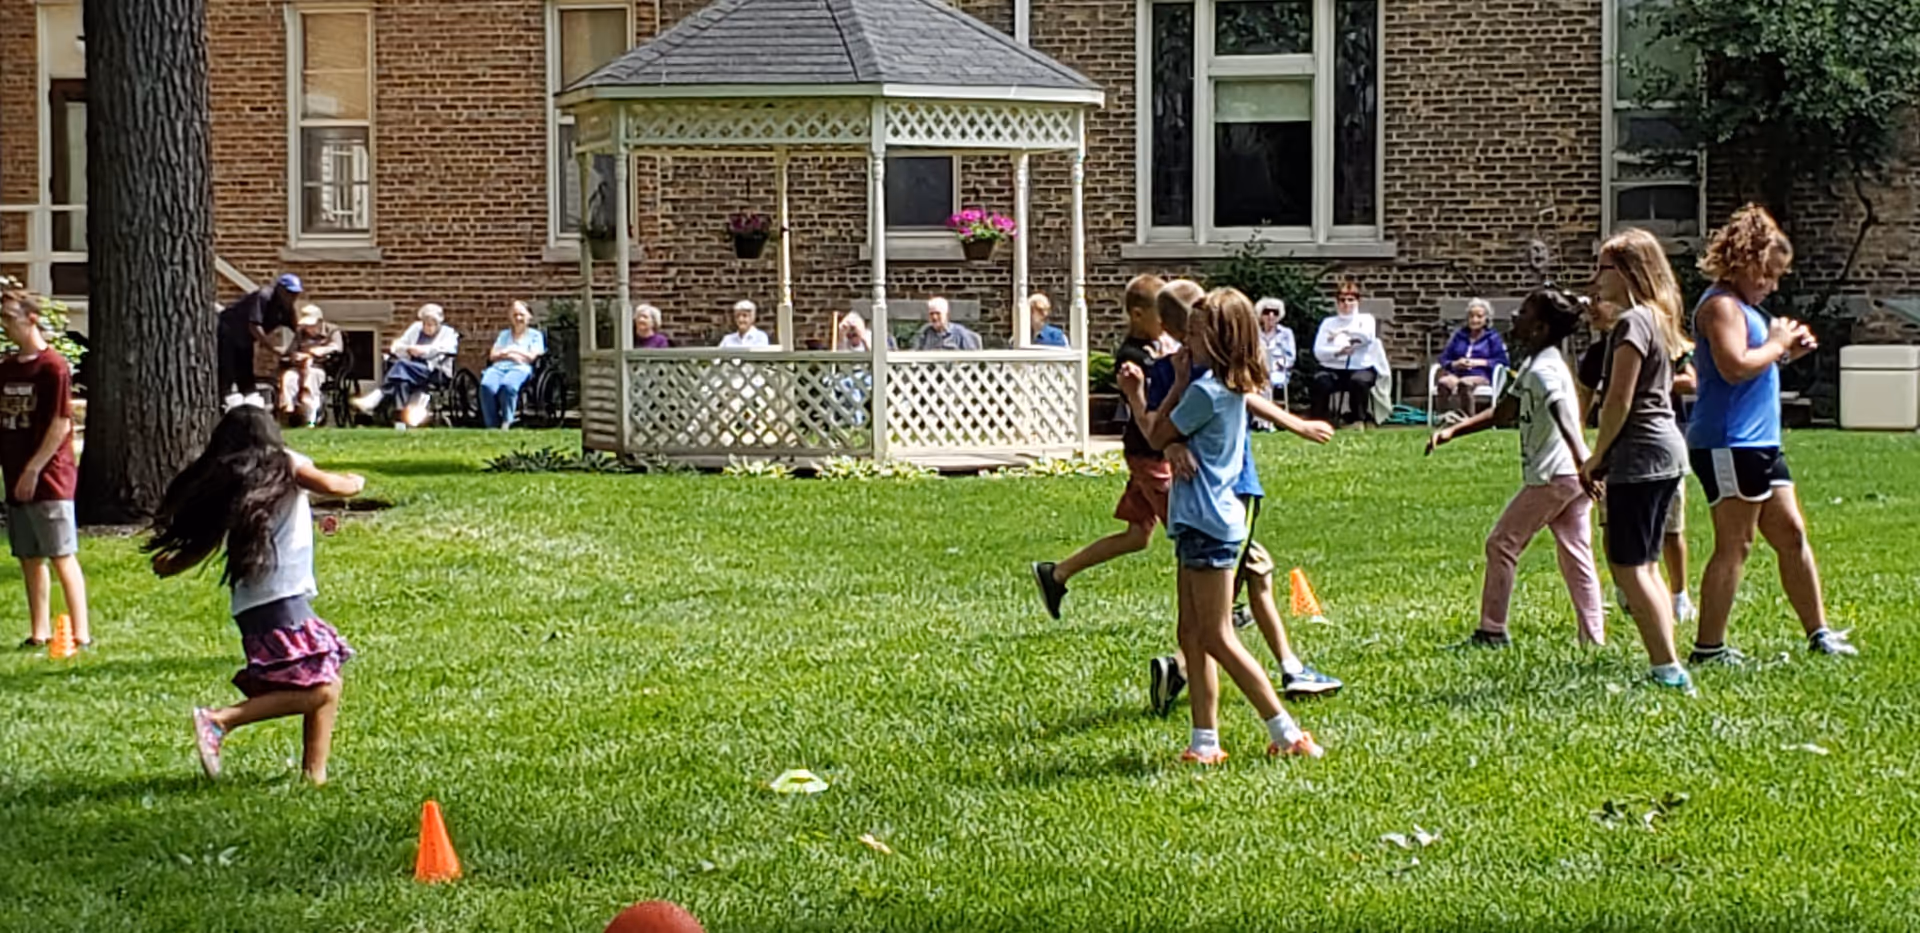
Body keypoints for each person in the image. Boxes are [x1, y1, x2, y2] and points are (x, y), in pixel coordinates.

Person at [1119, 287, 1323, 763]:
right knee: (1191, 634)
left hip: (1210, 525)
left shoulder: (1207, 392)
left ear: (1221, 339)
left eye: (1194, 334)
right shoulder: (1217, 387)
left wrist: (1138, 395)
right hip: (1199, 522)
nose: (1184, 343)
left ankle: (1288, 733)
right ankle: (1204, 742)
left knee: (1215, 635)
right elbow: (1169, 439)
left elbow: (1154, 432)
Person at [146, 406, 365, 785]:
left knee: (329, 679)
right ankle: (220, 720)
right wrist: (354, 481)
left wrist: (174, 564)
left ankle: (315, 775)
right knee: (321, 688)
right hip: (280, 598)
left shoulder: (238, 477)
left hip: (259, 602)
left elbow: (210, 539)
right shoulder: (286, 462)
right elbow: (331, 486)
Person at [1687, 205, 1855, 662]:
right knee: (1736, 543)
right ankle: (1709, 647)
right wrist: (1776, 344)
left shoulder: (1744, 306)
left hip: (1760, 442)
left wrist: (1784, 354)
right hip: (1729, 441)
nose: (1772, 285)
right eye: (1768, 275)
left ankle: (1819, 633)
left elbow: (1754, 364)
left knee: (1791, 533)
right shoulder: (1720, 305)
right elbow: (1734, 366)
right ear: (1745, 263)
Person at [1428, 287, 1602, 647]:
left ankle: (1492, 631)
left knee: (1501, 544)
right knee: (1576, 553)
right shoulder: (1534, 364)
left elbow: (1563, 412)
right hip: (1571, 475)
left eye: (1523, 313)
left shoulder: (1545, 369)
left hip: (1555, 475)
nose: (1515, 318)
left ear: (1539, 328)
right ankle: (1593, 638)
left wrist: (1583, 459)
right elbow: (1505, 412)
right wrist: (1453, 431)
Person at [1583, 228, 1694, 694]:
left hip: (1640, 455)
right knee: (1645, 564)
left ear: (1628, 271)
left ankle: (1668, 669)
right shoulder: (1658, 317)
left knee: (1629, 566)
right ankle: (1665, 664)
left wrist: (1596, 456)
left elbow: (1618, 401)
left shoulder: (1632, 324)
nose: (1596, 278)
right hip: (1667, 451)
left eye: (1604, 268)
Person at [1032, 276, 1173, 617]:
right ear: (1138, 315)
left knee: (1138, 535)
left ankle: (1057, 573)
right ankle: (1221, 602)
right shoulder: (1132, 356)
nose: (1166, 324)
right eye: (1160, 316)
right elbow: (1150, 401)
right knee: (1191, 533)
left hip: (1149, 452)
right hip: (1150, 455)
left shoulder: (1159, 347)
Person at [1577, 318, 1697, 624]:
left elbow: (1691, 380)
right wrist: (1582, 445)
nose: (1594, 303)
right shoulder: (1598, 353)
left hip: (1657, 445)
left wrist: (1646, 379)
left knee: (1671, 527)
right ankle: (1625, 589)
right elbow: (1584, 399)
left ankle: (1679, 595)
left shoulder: (1660, 339)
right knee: (1611, 525)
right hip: (1615, 449)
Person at [0, 290, 89, 651]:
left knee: (60, 553)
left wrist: (35, 469)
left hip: (50, 477)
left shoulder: (53, 366)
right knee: (28, 556)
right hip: (14, 470)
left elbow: (60, 424)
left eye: (10, 318)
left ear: (32, 318)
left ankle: (81, 632)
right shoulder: (6, 368)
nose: (6, 326)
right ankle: (39, 631)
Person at [351, 304, 460, 429]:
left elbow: (449, 349)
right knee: (401, 382)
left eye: (432, 324)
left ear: (438, 324)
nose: (428, 327)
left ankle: (377, 395)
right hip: (410, 369)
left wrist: (423, 350)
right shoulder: (415, 329)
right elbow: (397, 345)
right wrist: (408, 349)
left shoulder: (448, 333)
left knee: (401, 366)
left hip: (433, 371)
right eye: (426, 323)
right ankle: (400, 422)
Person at [1311, 280, 1389, 426]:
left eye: (1350, 300)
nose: (1346, 304)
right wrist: (1337, 352)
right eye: (1342, 300)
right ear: (1337, 302)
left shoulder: (1366, 320)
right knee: (1320, 381)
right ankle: (1319, 421)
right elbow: (1319, 352)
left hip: (1361, 367)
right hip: (1332, 368)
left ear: (1357, 301)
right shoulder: (1328, 323)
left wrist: (1344, 332)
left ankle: (1358, 420)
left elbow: (1366, 337)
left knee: (1358, 381)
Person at [218, 274, 302, 408]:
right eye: (289, 292)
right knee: (227, 370)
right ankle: (225, 403)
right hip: (228, 331)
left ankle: (250, 403)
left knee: (245, 372)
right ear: (279, 289)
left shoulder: (287, 308)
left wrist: (293, 350)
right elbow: (254, 326)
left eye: (296, 294)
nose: (292, 297)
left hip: (245, 339)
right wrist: (273, 349)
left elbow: (296, 330)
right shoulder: (264, 297)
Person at [1435, 298, 1510, 418]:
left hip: (1481, 375)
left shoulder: (1492, 338)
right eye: (1471, 316)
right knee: (1444, 382)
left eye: (1479, 316)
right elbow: (1444, 359)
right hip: (1458, 374)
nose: (1475, 320)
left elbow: (1502, 361)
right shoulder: (1459, 336)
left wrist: (1480, 362)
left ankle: (1468, 419)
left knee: (1465, 383)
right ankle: (1443, 417)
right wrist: (1456, 363)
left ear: (1486, 319)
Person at [480, 301, 547, 430]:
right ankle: (491, 424)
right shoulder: (504, 335)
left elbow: (531, 357)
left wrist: (508, 351)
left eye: (521, 315)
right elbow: (493, 355)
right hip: (498, 366)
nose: (518, 318)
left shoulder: (535, 336)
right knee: (486, 385)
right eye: (515, 315)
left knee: (508, 386)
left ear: (529, 316)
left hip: (521, 368)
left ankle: (507, 421)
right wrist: (514, 354)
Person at [277, 304, 343, 429]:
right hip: (299, 367)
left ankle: (311, 420)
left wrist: (323, 350)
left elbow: (338, 347)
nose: (308, 329)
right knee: (289, 377)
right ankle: (289, 409)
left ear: (319, 322)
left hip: (320, 367)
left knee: (311, 380)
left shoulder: (332, 330)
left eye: (311, 326)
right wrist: (296, 356)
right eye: (306, 326)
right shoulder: (300, 333)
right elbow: (290, 351)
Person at [1254, 297, 1295, 430]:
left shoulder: (1286, 333)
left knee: (1266, 384)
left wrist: (1279, 364)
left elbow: (1291, 357)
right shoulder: (1255, 333)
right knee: (1259, 382)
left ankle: (1264, 422)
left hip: (1278, 371)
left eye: (1275, 312)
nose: (1271, 316)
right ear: (1261, 314)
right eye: (1267, 312)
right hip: (1258, 370)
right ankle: (1261, 421)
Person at [909, 297, 982, 351]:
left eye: (938, 313)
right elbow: (915, 351)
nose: (934, 317)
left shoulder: (959, 332)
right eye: (931, 314)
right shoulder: (925, 332)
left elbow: (972, 354)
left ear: (946, 315)